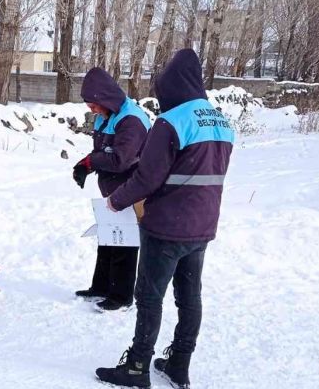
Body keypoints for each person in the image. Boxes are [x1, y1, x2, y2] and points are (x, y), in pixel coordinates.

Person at [95, 49, 234, 388]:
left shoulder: (171, 121)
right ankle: (179, 364)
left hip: (166, 227)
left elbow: (147, 177)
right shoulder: (222, 122)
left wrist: (116, 200)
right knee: (189, 297)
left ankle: (137, 367)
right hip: (202, 226)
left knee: (149, 296)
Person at [73, 67, 151, 312]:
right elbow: (102, 151)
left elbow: (120, 160)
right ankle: (101, 287)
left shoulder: (131, 120)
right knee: (108, 236)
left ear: (106, 99)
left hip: (132, 189)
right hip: (113, 188)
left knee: (124, 241)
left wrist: (91, 162)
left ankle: (121, 296)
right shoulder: (106, 116)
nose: (92, 110)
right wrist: (86, 164)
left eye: (94, 105)